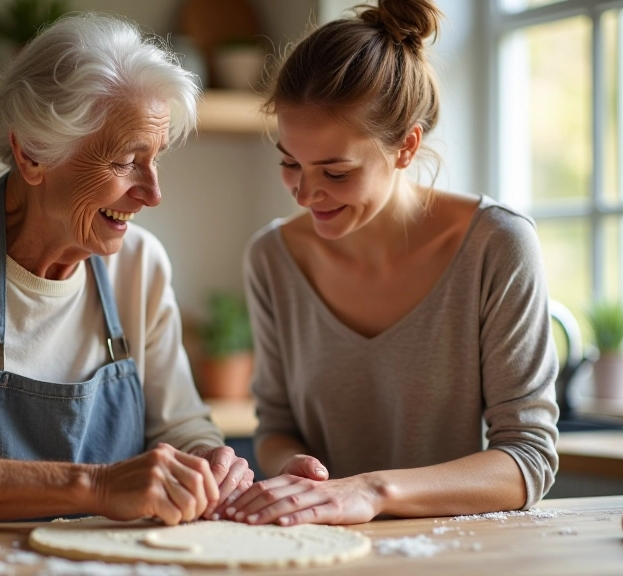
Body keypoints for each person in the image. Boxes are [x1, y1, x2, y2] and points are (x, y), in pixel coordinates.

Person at [0, 13, 252, 525]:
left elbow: (183, 429)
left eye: (156, 158)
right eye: (125, 161)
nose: (153, 193)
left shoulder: (140, 265)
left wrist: (210, 461)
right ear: (32, 153)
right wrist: (94, 487)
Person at [224, 0, 559, 526]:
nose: (305, 194)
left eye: (335, 172)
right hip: (319, 550)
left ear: (406, 147)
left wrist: (373, 491)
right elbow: (275, 426)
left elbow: (528, 460)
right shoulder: (271, 258)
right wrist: (292, 468)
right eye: (290, 163)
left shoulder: (497, 244)